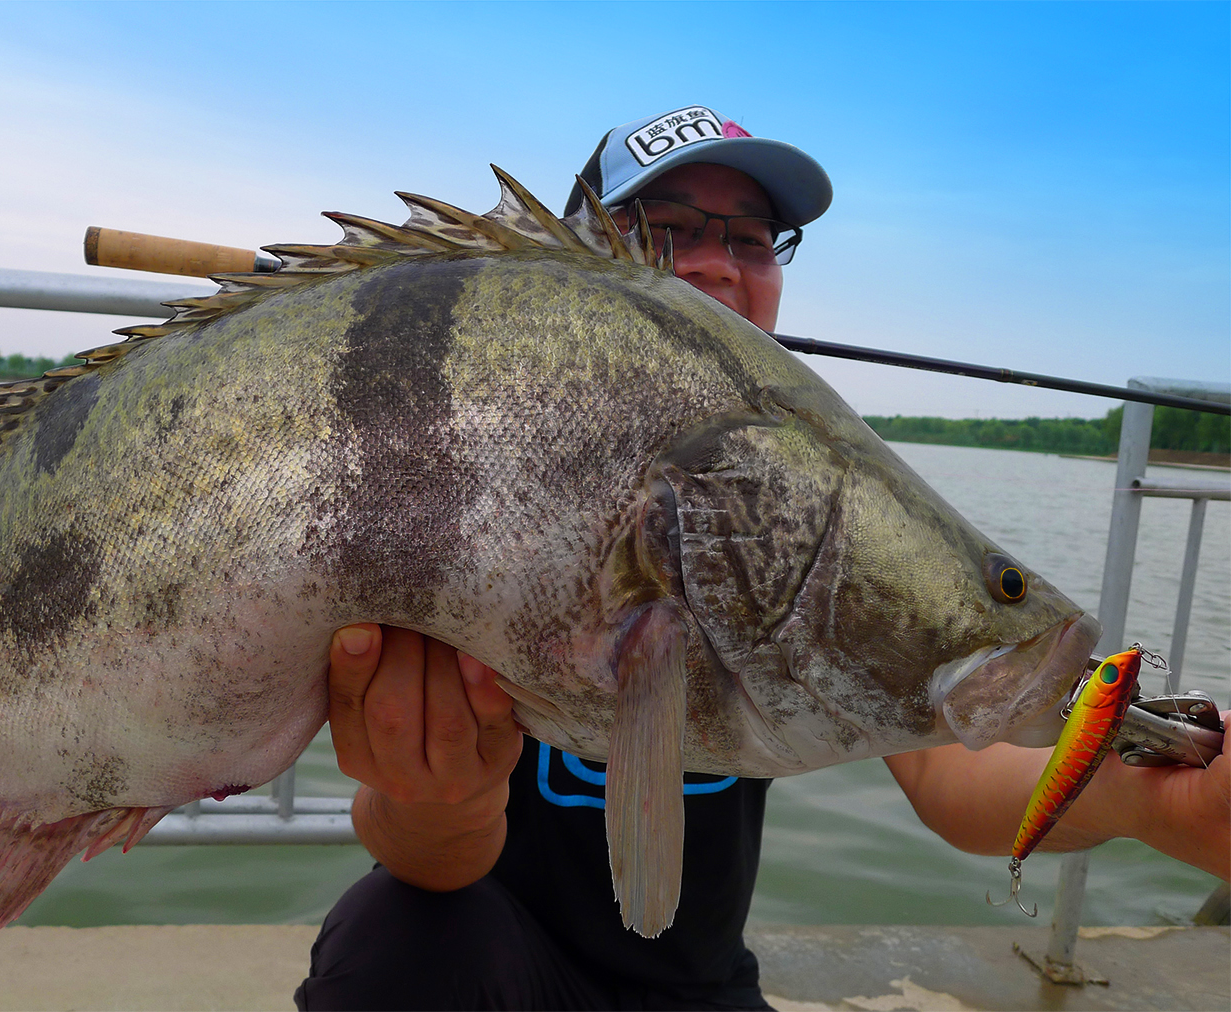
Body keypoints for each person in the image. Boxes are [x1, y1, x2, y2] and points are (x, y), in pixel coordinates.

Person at [294, 105, 1230, 1012]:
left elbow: (951, 772)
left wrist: (1149, 805)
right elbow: (408, 842)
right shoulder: (449, 453)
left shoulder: (821, 504)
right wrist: (438, 807)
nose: (717, 262)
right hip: (490, 945)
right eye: (664, 230)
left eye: (751, 239)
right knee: (389, 936)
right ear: (578, 254)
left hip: (699, 982)